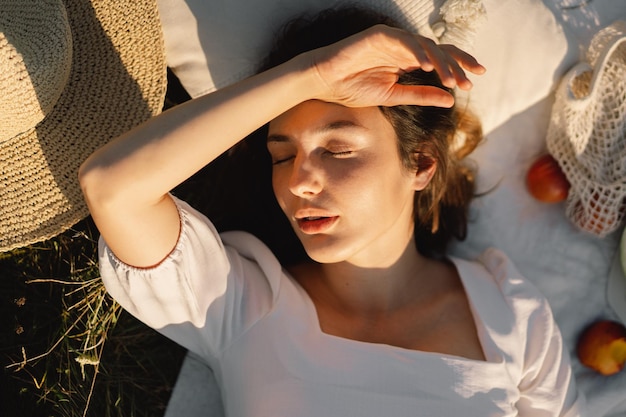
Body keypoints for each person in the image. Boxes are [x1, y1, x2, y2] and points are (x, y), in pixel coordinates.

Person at [79, 6, 584, 417]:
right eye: (281, 156)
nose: (298, 181)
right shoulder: (238, 302)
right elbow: (112, 187)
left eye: (338, 150)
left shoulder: (510, 313)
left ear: (421, 163)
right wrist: (310, 76)